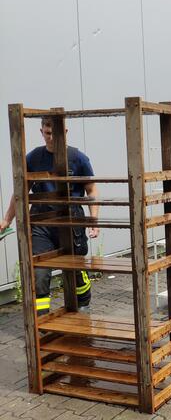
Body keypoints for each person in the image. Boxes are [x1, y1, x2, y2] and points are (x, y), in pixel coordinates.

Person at [0, 117, 99, 314]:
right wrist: (7, 219)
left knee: (75, 268)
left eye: (56, 133)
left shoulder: (78, 158)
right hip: (41, 223)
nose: (51, 137)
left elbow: (91, 190)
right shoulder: (33, 158)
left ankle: (83, 304)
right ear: (42, 132)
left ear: (65, 132)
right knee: (39, 271)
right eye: (47, 133)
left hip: (71, 221)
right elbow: (20, 192)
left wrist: (93, 220)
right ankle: (42, 318)